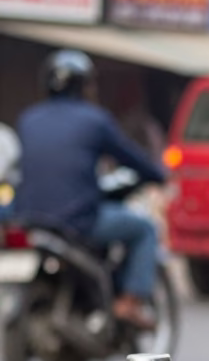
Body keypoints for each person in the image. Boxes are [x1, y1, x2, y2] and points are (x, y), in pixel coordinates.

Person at [13, 50, 167, 329]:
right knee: (144, 227)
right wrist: (158, 175)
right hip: (78, 219)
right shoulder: (95, 120)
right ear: (83, 86)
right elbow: (130, 157)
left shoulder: (28, 118)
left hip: (30, 216)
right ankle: (130, 302)